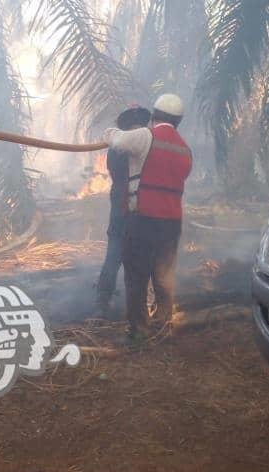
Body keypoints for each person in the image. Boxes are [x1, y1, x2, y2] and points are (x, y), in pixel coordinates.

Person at [103, 93, 193, 340]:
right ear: (179, 121)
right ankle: (163, 322)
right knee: (163, 275)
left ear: (154, 116)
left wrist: (109, 132)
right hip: (172, 222)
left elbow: (118, 141)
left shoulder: (146, 136)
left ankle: (138, 331)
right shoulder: (185, 149)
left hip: (142, 218)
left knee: (136, 275)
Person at [95, 105, 151, 318]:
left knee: (116, 254)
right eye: (136, 124)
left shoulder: (117, 146)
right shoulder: (132, 145)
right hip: (129, 209)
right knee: (122, 255)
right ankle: (109, 301)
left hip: (124, 207)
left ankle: (105, 299)